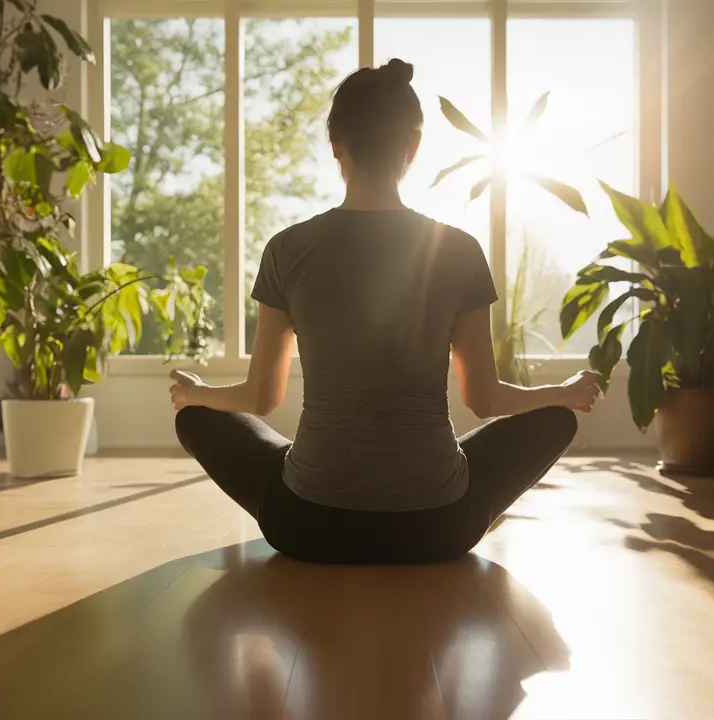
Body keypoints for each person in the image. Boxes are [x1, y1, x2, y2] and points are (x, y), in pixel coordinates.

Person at [170, 58, 601, 564]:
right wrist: (562, 393)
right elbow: (484, 398)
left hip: (305, 524)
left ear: (336, 146)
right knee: (556, 420)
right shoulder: (457, 249)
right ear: (413, 147)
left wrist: (198, 393)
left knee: (196, 418)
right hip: (439, 528)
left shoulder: (287, 249)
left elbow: (261, 397)